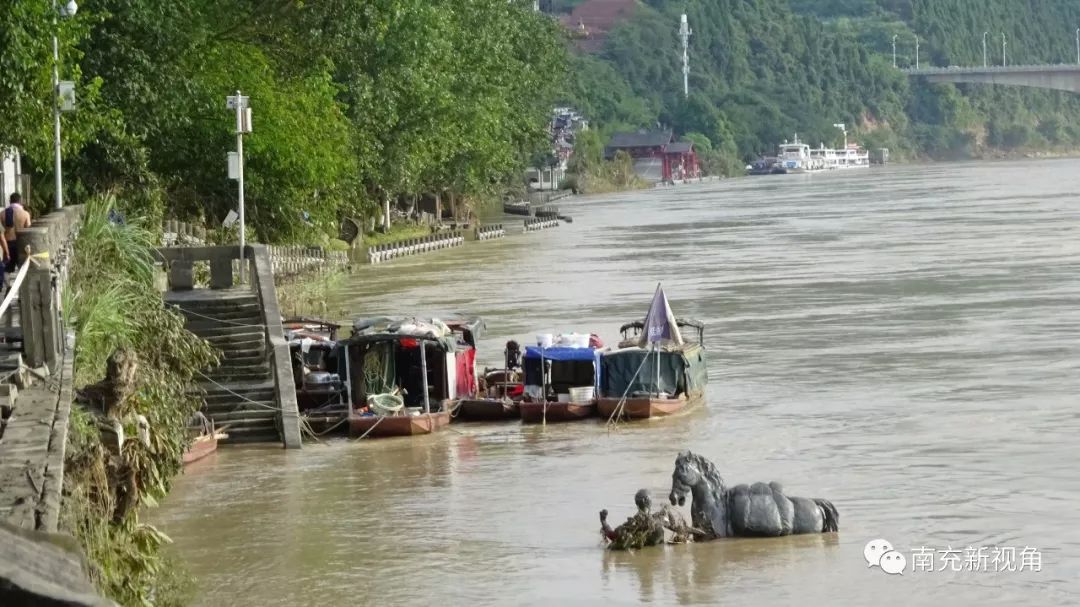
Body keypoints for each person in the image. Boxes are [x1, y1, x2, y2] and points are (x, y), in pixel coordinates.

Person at [3, 193, 31, 276]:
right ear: (20, 201)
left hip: (8, 245)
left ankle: (7, 284)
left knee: (7, 270)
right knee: (22, 269)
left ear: (10, 201)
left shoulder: (2, 214)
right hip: (21, 244)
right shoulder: (25, 214)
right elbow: (28, 231)